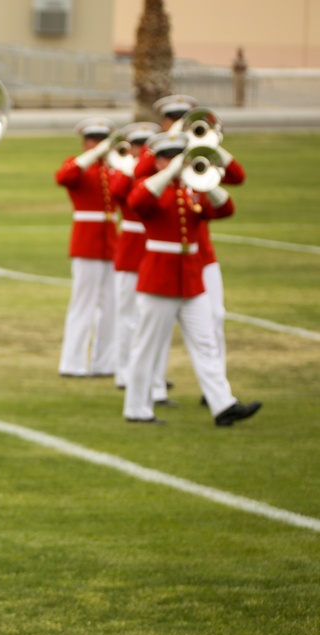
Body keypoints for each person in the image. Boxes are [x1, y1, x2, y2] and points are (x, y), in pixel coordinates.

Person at [123, 130, 260, 426]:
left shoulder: (192, 190)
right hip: (159, 279)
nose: (176, 162)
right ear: (159, 162)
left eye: (178, 157)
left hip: (191, 278)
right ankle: (137, 408)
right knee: (147, 346)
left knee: (206, 342)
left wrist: (207, 182)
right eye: (169, 158)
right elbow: (137, 201)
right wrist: (171, 172)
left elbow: (226, 209)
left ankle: (223, 405)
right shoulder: (152, 187)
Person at [108, 121, 174, 405]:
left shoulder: (160, 174)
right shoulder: (128, 169)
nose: (142, 151)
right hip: (132, 249)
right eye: (139, 146)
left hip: (155, 250)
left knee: (154, 323)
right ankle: (123, 372)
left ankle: (155, 379)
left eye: (148, 146)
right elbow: (118, 192)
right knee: (127, 317)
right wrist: (142, 161)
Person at [55, 117, 119, 378]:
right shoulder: (78, 165)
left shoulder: (112, 168)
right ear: (85, 142)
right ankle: (73, 363)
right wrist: (93, 155)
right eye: (93, 140)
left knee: (110, 306)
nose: (98, 144)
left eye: (102, 140)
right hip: (86, 241)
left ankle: (105, 362)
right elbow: (64, 177)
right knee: (83, 304)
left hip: (110, 242)